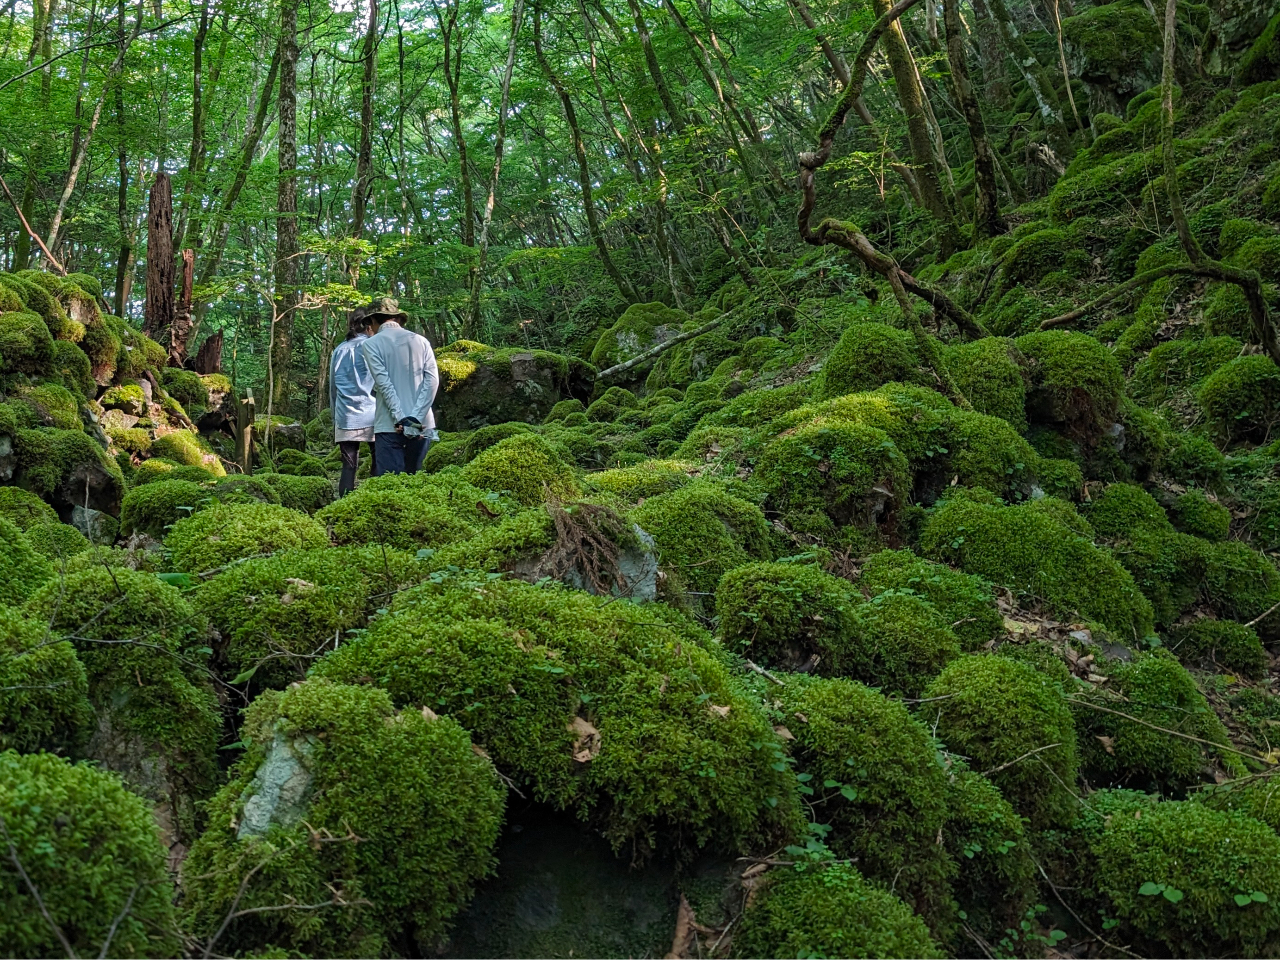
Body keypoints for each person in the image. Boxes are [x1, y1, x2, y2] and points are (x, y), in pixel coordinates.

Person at [359, 297, 439, 475]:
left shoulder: (371, 344)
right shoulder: (421, 340)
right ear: (397, 318)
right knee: (418, 483)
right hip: (422, 425)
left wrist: (401, 418)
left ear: (373, 320)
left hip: (389, 425)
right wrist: (415, 419)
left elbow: (383, 383)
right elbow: (432, 380)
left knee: (391, 487)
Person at [329, 309, 377, 496]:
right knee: (378, 462)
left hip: (346, 415)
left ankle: (344, 504)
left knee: (349, 466)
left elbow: (333, 387)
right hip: (372, 413)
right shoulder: (372, 347)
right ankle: (375, 501)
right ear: (368, 325)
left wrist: (335, 416)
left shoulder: (339, 350)